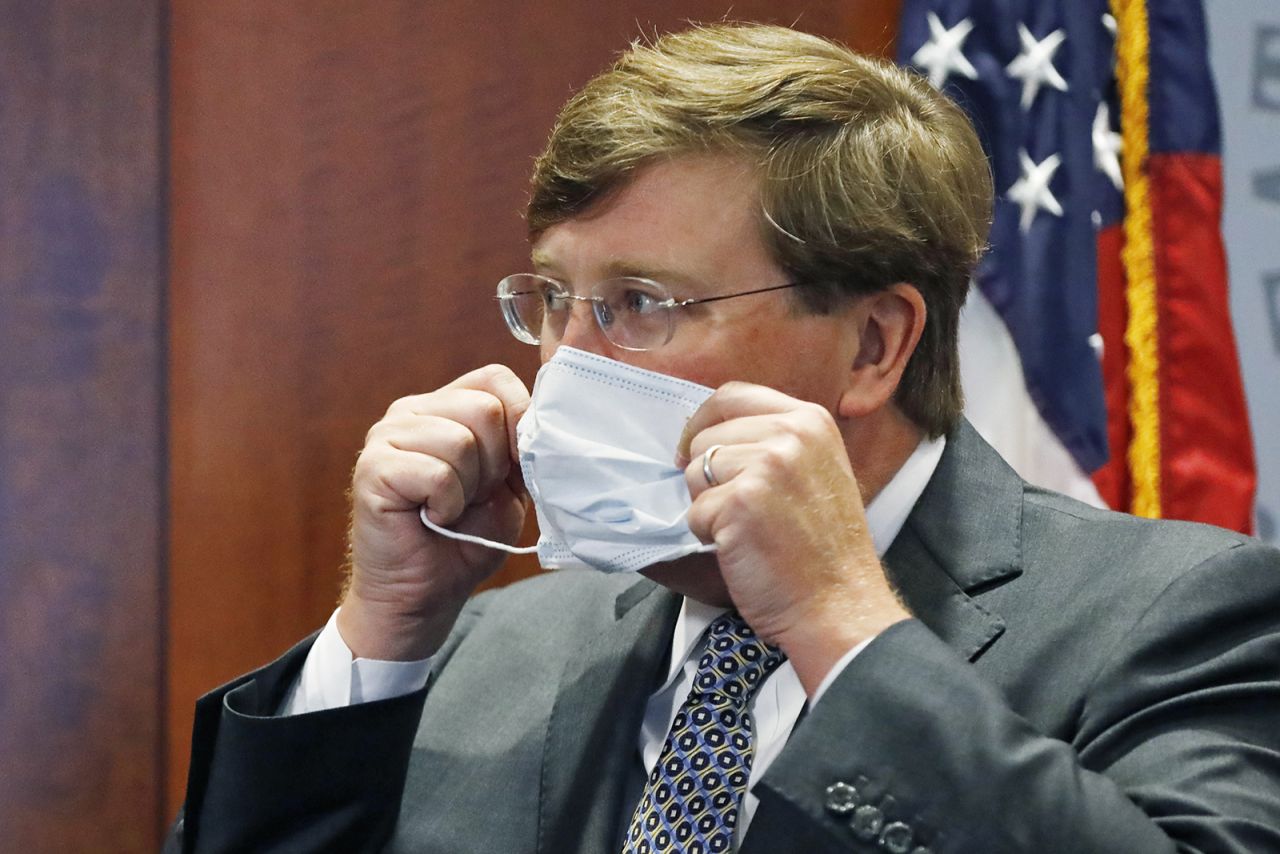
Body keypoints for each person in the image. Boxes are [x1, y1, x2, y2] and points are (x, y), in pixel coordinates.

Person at [167, 23, 1280, 854]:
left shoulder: (1178, 617)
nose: (565, 364)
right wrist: (383, 632)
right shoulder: (484, 648)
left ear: (870, 344)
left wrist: (835, 622)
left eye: (642, 303)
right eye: (554, 299)